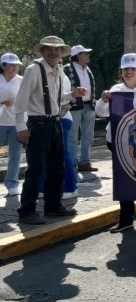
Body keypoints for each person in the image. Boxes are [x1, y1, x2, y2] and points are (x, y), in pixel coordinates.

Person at [14, 36, 83, 225]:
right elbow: (21, 100)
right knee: (36, 169)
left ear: (62, 52)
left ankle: (53, 207)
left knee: (57, 167)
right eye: (49, 49)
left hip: (55, 122)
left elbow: (57, 99)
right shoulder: (33, 69)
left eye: (57, 49)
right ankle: (26, 211)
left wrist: (72, 95)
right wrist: (20, 127)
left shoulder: (59, 71)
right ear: (42, 51)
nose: (53, 52)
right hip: (37, 124)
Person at [96, 53, 136, 234]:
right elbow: (101, 113)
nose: (129, 72)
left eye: (133, 69)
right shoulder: (115, 90)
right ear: (121, 71)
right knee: (123, 180)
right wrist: (103, 99)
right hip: (117, 142)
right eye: (125, 69)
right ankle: (125, 219)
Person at [63, 44, 98, 173]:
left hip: (89, 105)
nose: (88, 55)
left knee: (88, 136)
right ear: (77, 56)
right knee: (72, 136)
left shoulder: (87, 69)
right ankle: (72, 163)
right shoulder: (67, 69)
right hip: (74, 107)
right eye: (85, 53)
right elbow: (62, 87)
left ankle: (85, 162)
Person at [0, 53, 24, 196]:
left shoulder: (22, 80)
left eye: (16, 65)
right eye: (11, 65)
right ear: (3, 66)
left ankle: (12, 184)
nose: (14, 67)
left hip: (17, 122)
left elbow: (29, 98)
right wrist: (3, 103)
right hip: (0, 121)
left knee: (15, 155)